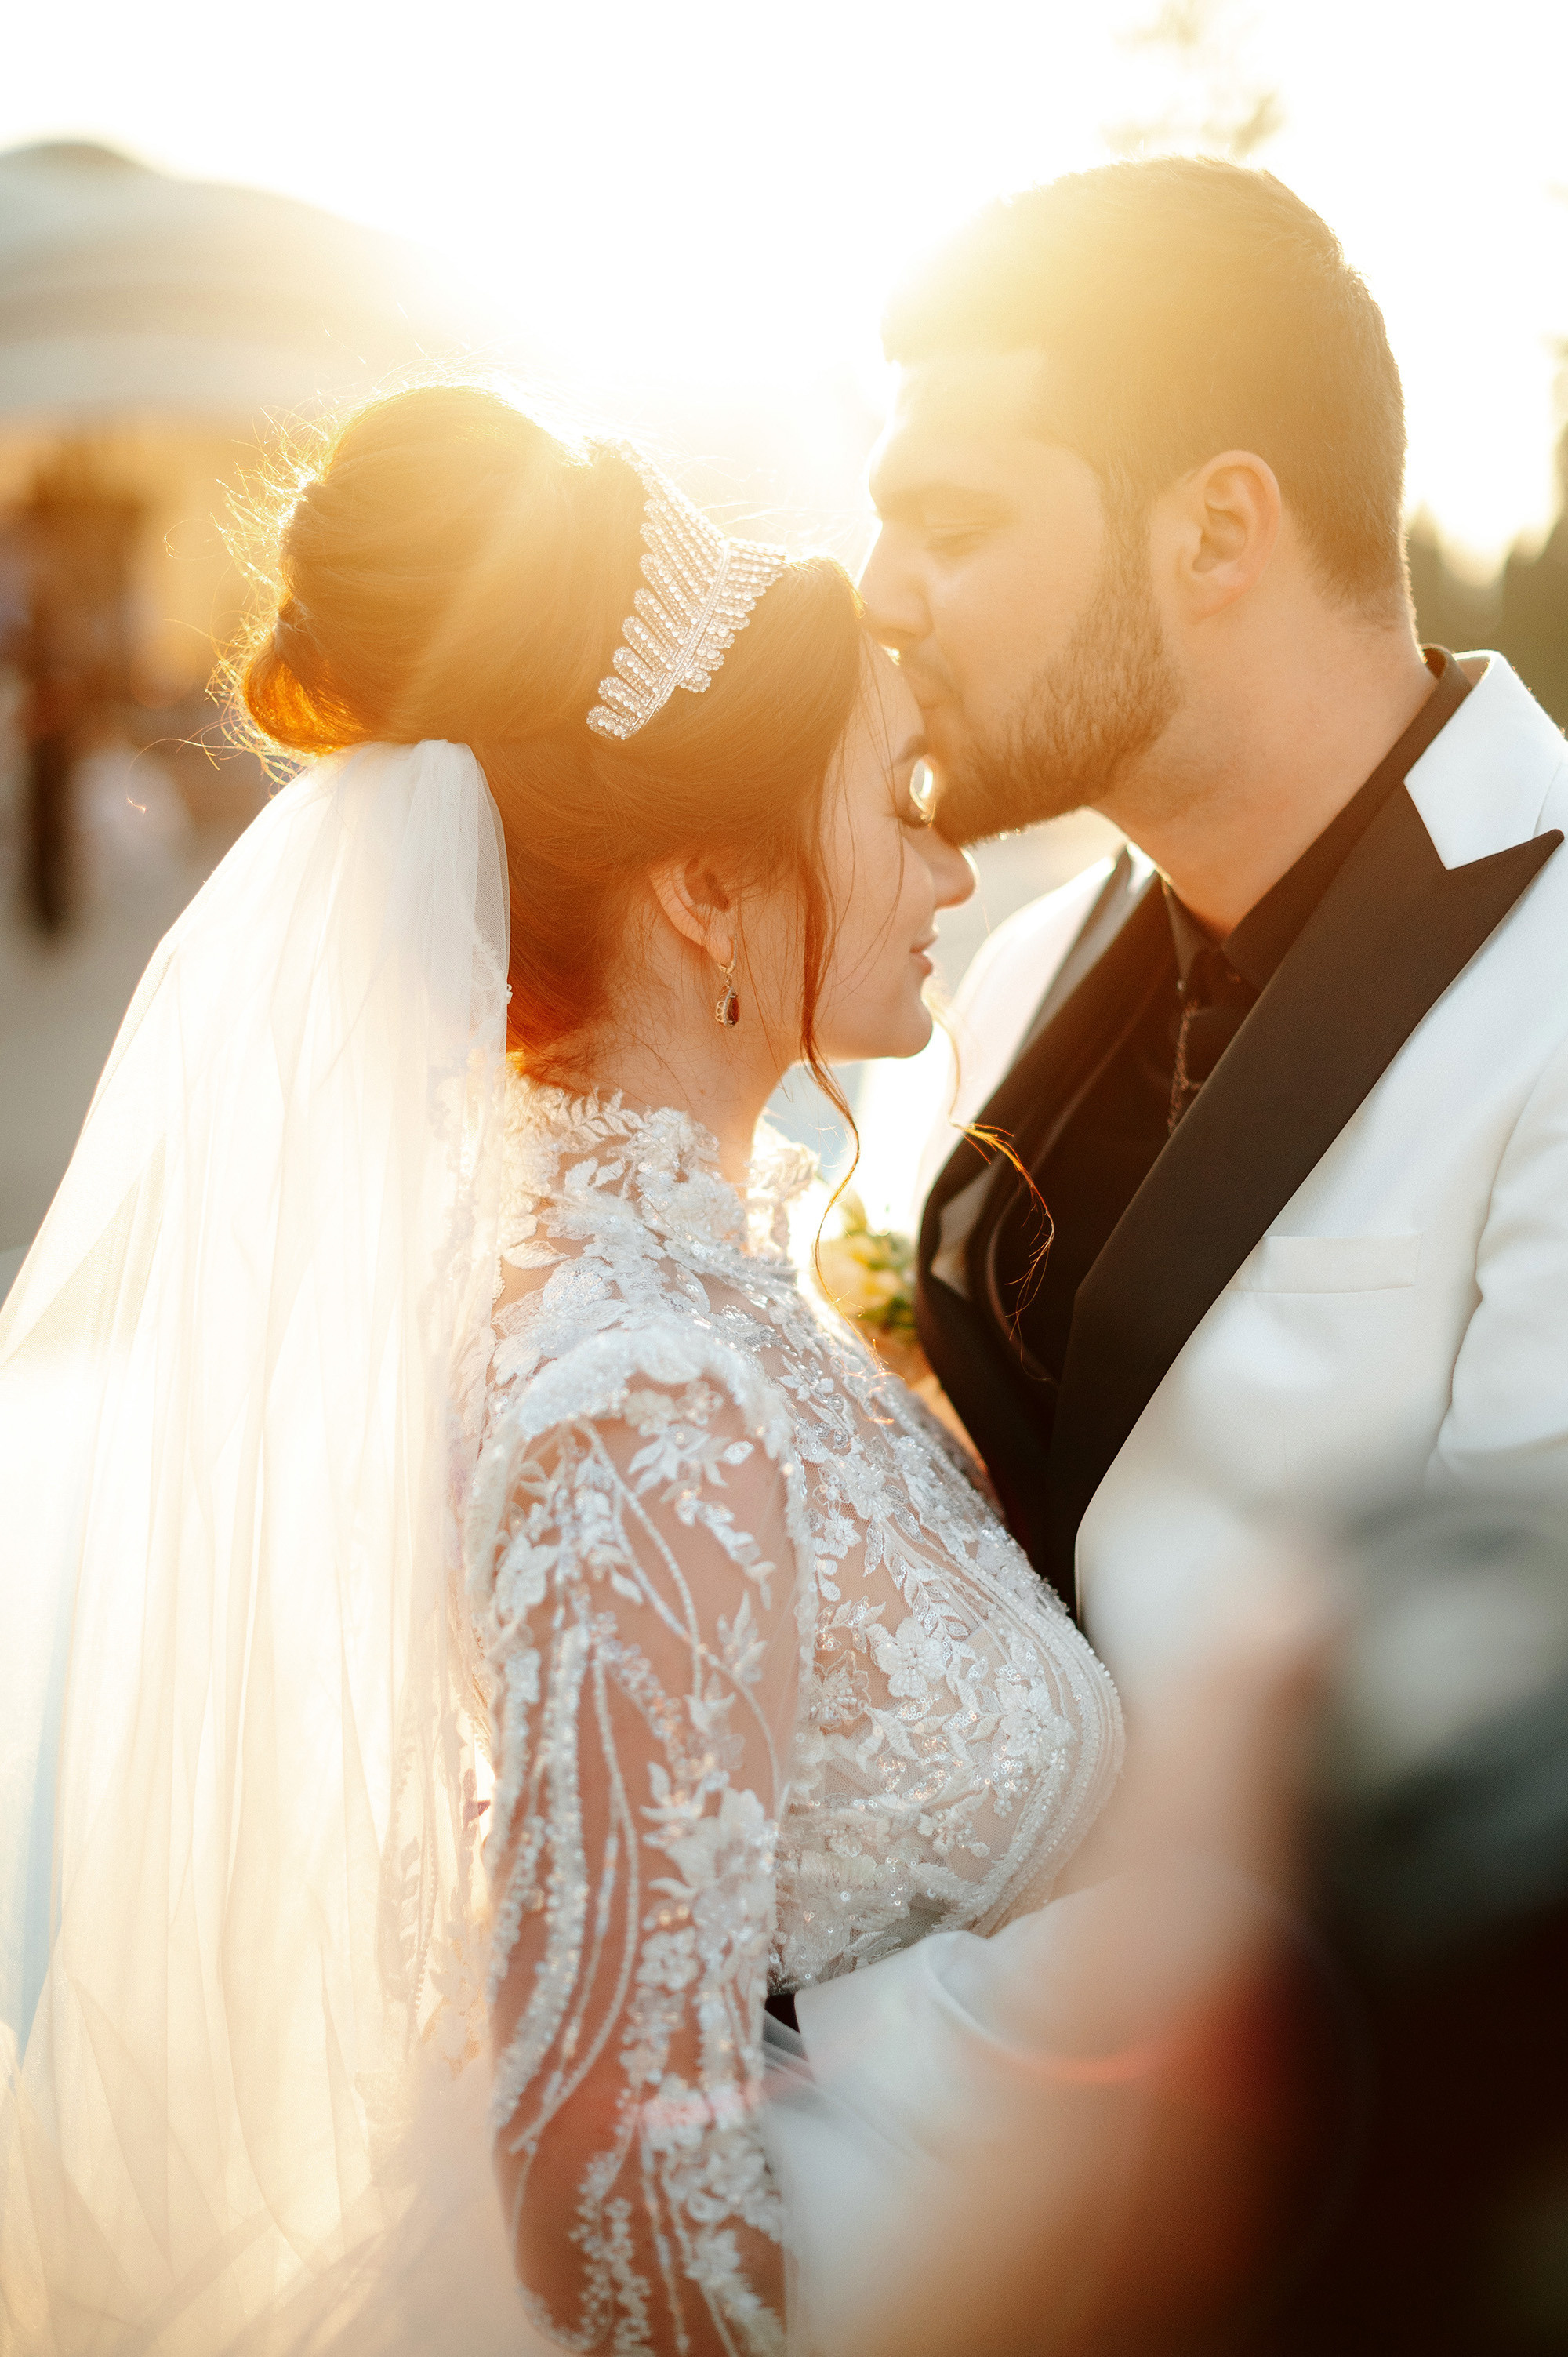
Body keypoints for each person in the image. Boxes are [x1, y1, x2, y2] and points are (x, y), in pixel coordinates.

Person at [0, 388, 1140, 2355]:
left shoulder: (681, 1295)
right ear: (705, 891)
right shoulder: (639, 1399)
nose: (948, 879)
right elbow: (608, 2180)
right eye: (901, 810)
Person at [861, 158, 1568, 1694]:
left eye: (953, 526)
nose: (881, 596)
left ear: (1213, 535)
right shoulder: (1019, 974)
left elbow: (1481, 1782)